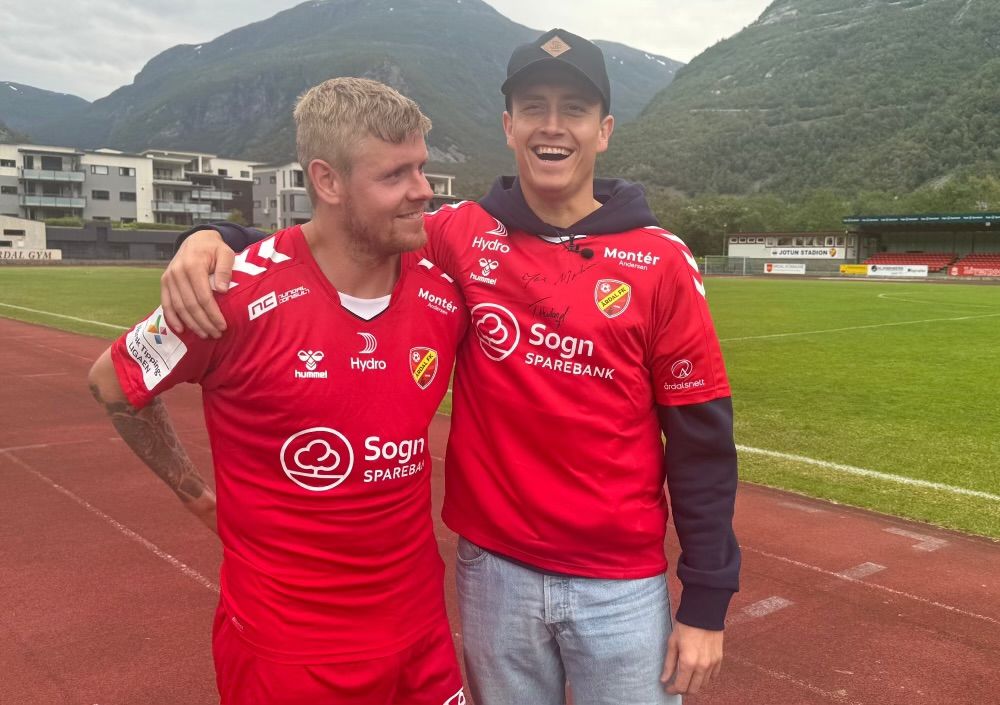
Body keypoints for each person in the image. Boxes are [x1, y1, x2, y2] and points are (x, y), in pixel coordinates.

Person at [162, 29, 740, 705]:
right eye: (533, 107)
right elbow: (337, 234)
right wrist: (213, 238)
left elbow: (701, 440)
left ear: (604, 130)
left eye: (575, 109)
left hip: (619, 583)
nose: (553, 126)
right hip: (494, 574)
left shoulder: (663, 261)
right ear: (509, 126)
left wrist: (706, 601)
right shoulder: (458, 234)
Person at [88, 77, 468, 705]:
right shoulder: (231, 296)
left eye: (421, 168)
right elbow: (112, 381)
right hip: (290, 651)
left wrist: (210, 230)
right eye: (396, 174)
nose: (423, 190)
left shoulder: (443, 293)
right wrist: (195, 496)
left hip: (420, 632)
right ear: (327, 181)